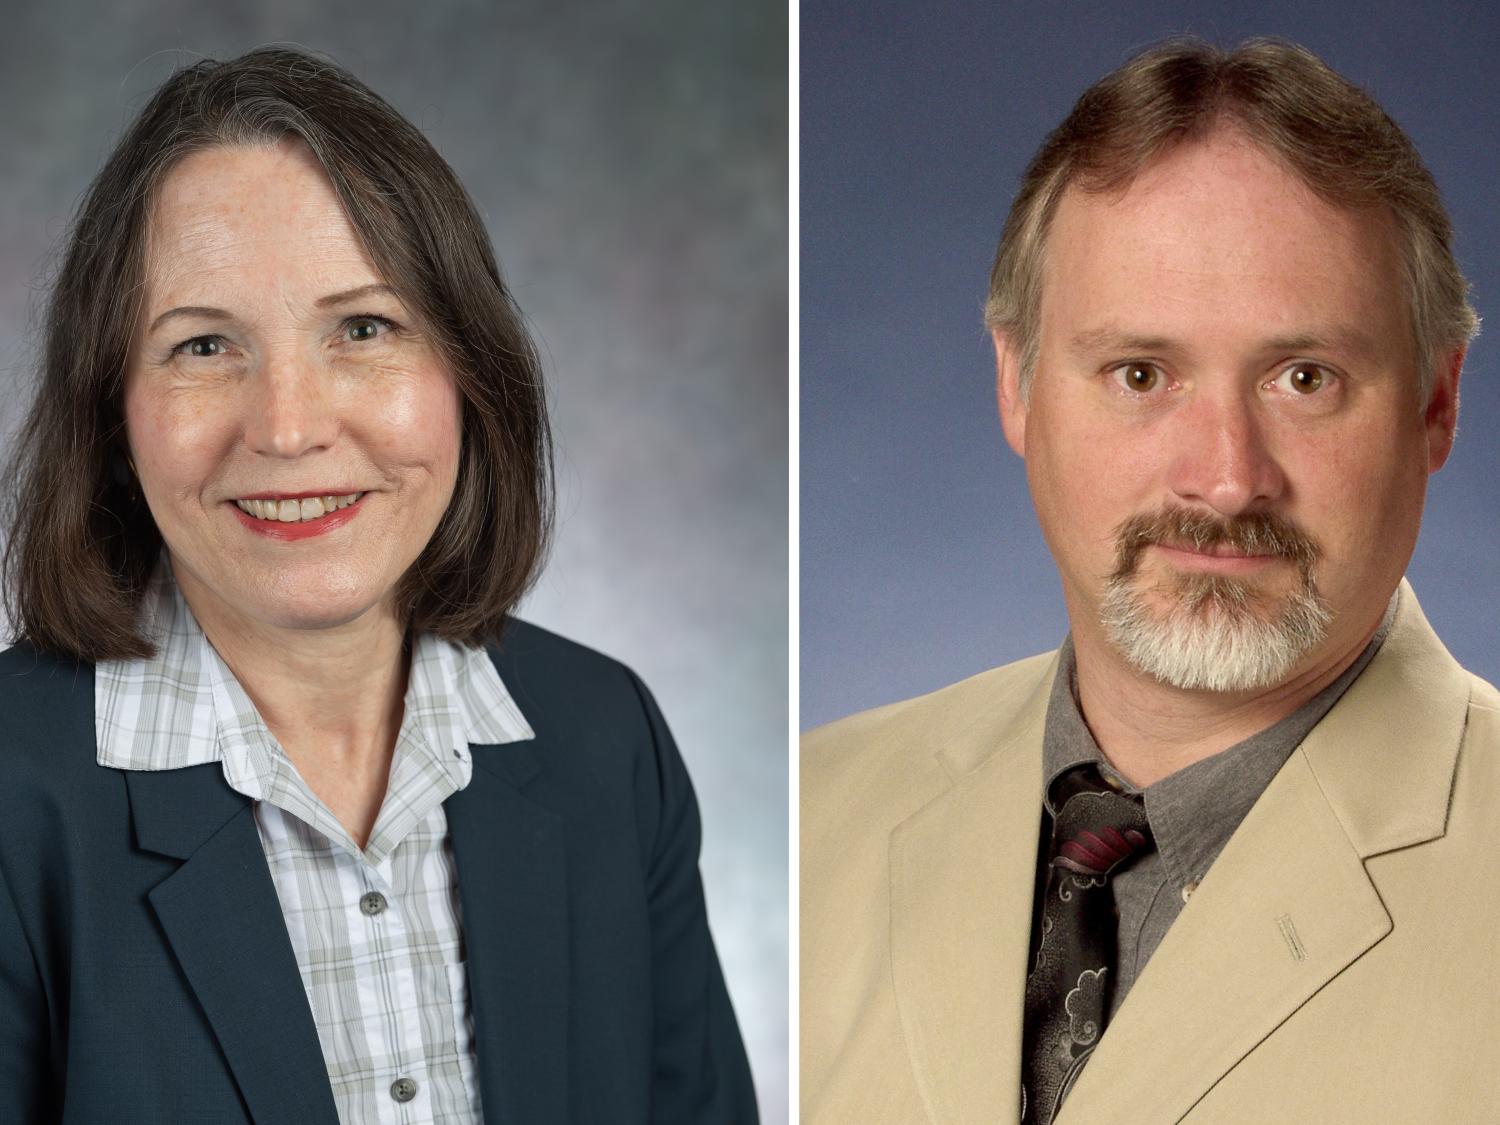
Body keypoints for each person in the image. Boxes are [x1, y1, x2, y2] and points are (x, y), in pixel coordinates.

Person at [0, 47, 757, 1124]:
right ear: (111, 414)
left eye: (364, 328)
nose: (292, 427)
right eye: (205, 345)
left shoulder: (604, 739)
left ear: (469, 373)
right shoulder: (12, 796)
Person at [802, 37, 1495, 1124]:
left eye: (1305, 378)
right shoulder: (811, 815)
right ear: (1017, 385)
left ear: (1437, 405)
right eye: (1140, 374)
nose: (1225, 479)